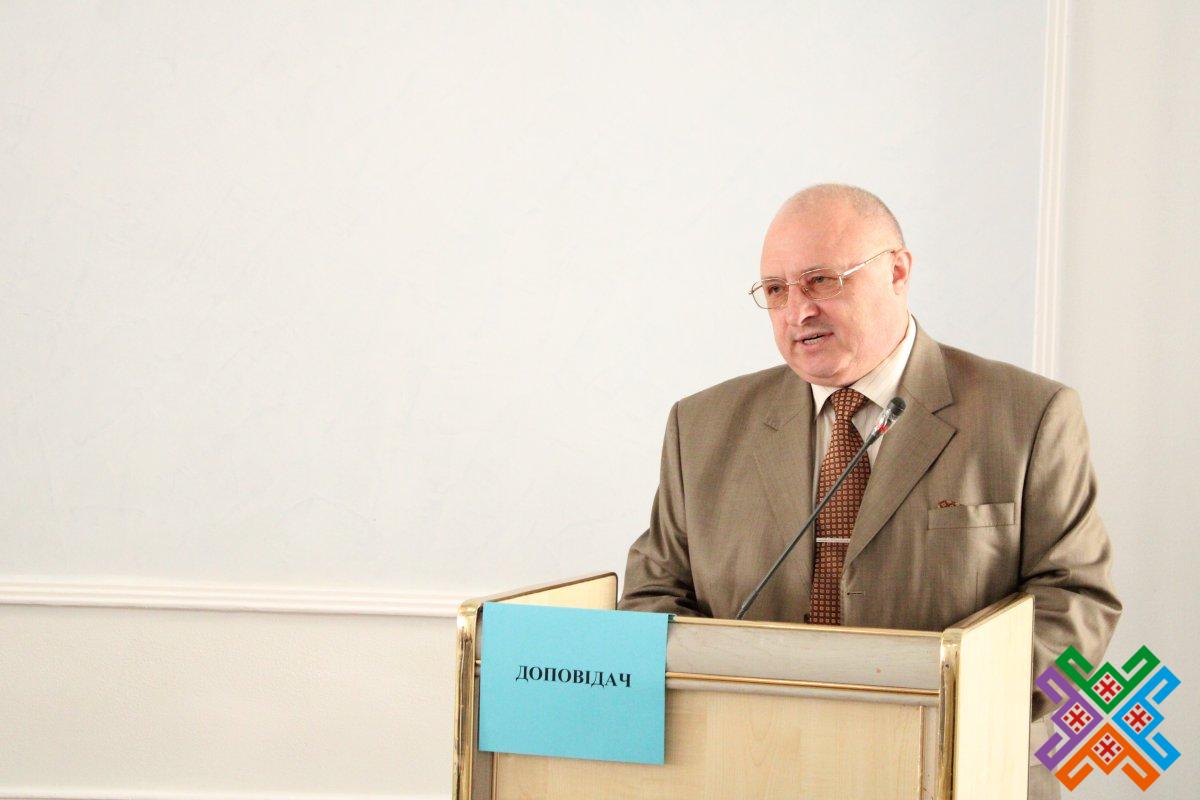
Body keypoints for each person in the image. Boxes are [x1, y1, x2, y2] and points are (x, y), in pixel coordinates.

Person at [616, 183, 1121, 799]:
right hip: (753, 771)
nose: (798, 311)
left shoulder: (1030, 415)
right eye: (775, 290)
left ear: (897, 272)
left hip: (954, 770)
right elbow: (653, 597)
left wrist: (937, 704)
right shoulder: (700, 426)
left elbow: (1077, 604)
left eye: (821, 281)